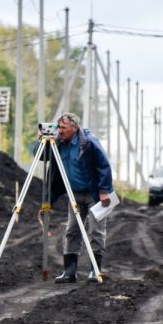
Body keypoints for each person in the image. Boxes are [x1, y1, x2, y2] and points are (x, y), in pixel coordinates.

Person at [44, 112, 114, 282]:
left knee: (96, 231)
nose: (60, 131)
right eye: (58, 127)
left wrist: (104, 190)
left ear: (74, 128)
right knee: (72, 231)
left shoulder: (88, 143)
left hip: (95, 194)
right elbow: (41, 157)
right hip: (74, 193)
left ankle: (94, 271)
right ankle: (69, 272)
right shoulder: (58, 142)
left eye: (63, 128)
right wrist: (44, 140)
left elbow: (104, 165)